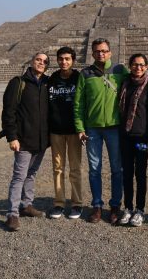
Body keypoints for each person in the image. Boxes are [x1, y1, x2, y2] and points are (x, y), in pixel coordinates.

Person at [74, 38, 128, 224]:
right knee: (94, 169)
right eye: (97, 51)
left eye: (104, 51)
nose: (101, 54)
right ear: (92, 53)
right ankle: (97, 205)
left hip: (114, 127)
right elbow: (79, 103)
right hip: (92, 128)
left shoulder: (120, 71)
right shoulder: (85, 73)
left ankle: (115, 205)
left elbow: (138, 83)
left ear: (110, 52)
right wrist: (80, 127)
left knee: (116, 169)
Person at [1, 52, 50, 231]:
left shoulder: (47, 83)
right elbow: (8, 111)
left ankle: (26, 205)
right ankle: (12, 214)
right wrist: (12, 137)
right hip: (23, 139)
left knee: (31, 174)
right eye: (38, 59)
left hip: (41, 140)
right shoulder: (18, 83)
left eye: (45, 62)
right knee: (19, 176)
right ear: (31, 61)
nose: (41, 63)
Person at [117, 54, 148, 227]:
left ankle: (140, 209)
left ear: (146, 67)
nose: (138, 68)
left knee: (140, 174)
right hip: (125, 137)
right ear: (130, 66)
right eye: (134, 64)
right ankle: (128, 207)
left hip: (141, 138)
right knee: (126, 174)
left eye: (141, 65)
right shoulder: (124, 83)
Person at [48, 46, 83, 220]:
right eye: (61, 59)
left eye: (67, 59)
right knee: (58, 168)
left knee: (75, 168)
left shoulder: (79, 78)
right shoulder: (52, 79)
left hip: (74, 131)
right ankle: (59, 203)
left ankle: (77, 203)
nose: (64, 62)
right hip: (56, 131)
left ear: (73, 60)